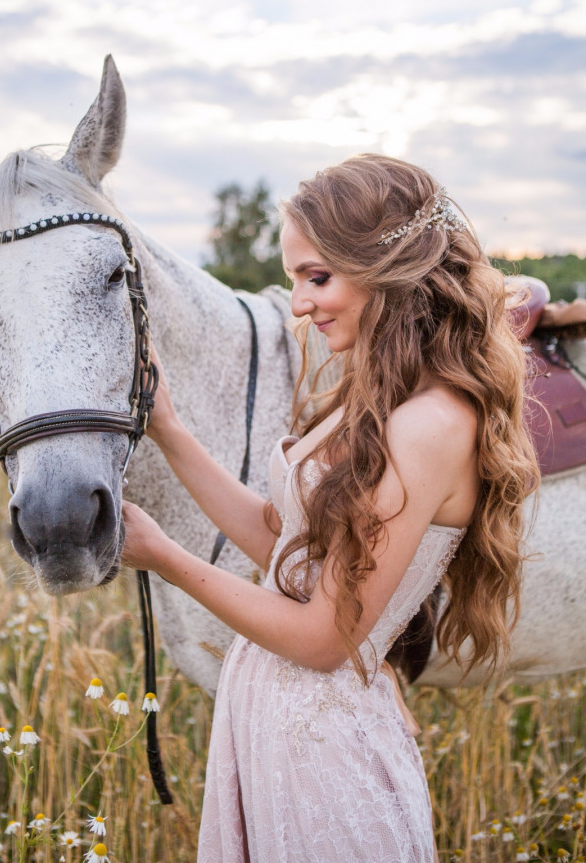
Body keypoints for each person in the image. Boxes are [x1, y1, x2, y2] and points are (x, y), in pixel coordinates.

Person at [121, 154, 539, 863]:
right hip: (278, 723)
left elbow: (321, 638)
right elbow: (281, 545)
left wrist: (163, 555)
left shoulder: (428, 424)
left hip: (324, 745)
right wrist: (168, 428)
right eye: (293, 281)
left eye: (317, 277)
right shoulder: (373, 398)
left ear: (389, 267)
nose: (299, 305)